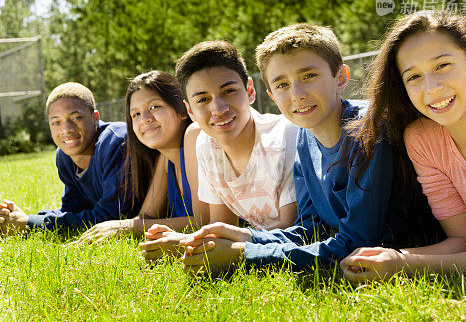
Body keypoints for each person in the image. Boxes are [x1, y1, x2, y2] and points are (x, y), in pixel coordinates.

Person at [163, 23, 435, 273]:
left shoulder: (367, 131)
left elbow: (357, 243)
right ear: (271, 94)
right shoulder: (304, 137)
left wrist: (245, 254)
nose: (297, 94)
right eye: (282, 84)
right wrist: (245, 235)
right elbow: (310, 228)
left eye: (309, 75)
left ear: (340, 77)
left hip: (422, 243)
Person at [341, 10, 466, 282]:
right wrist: (389, 257)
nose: (431, 88)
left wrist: (404, 266)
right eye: (414, 77)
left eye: (442, 66)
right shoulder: (422, 140)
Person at [140, 40, 298, 260]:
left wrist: (188, 243)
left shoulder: (285, 135)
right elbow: (220, 228)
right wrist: (189, 241)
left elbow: (292, 230)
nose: (218, 108)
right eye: (203, 99)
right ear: (190, 110)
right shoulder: (206, 145)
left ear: (250, 90)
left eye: (229, 91)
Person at [76, 71, 210, 243]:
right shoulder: (166, 159)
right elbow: (146, 216)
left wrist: (128, 227)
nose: (144, 119)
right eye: (136, 114)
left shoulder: (196, 139)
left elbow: (203, 222)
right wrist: (114, 227)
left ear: (182, 110)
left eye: (154, 107)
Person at [0, 82, 132, 234]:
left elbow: (113, 217)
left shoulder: (115, 142)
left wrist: (29, 224)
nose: (66, 129)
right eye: (56, 122)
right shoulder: (64, 156)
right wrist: (19, 219)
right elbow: (72, 210)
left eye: (76, 118)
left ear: (95, 117)